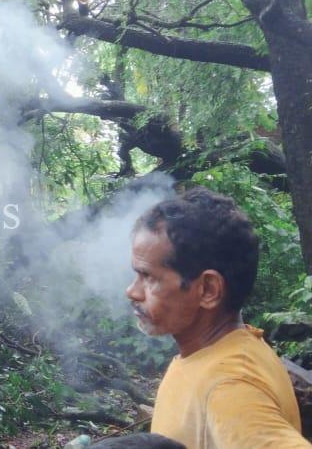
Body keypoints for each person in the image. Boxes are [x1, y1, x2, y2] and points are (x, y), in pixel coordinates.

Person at [127, 187, 310, 448]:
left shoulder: (231, 385)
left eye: (148, 277)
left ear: (208, 290)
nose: (132, 291)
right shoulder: (218, 354)